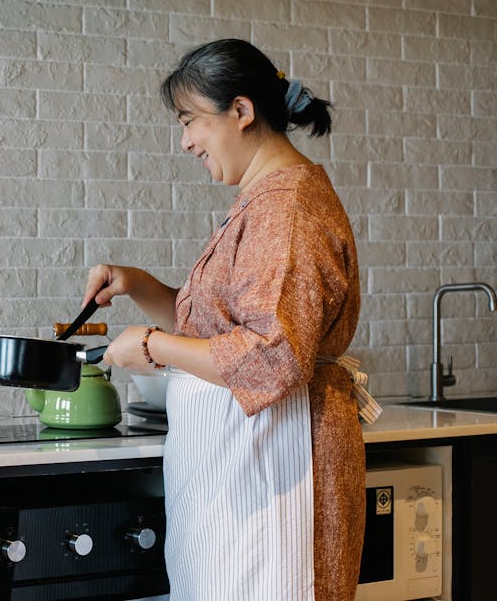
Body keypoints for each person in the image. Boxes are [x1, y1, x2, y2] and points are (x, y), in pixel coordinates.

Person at [81, 39, 379, 601]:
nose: (186, 140)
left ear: (241, 112)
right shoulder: (262, 200)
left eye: (190, 120)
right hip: (243, 468)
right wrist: (141, 287)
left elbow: (272, 354)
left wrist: (151, 345)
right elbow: (226, 332)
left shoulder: (287, 209)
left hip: (279, 467)